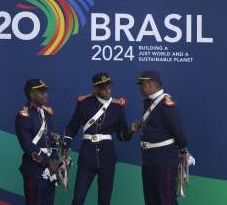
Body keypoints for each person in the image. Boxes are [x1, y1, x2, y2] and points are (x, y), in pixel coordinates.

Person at [62, 72, 139, 205]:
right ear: (95, 89)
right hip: (87, 158)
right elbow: (72, 127)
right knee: (78, 199)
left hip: (107, 159)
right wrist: (65, 143)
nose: (107, 90)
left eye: (109, 87)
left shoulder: (117, 107)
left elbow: (122, 136)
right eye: (103, 88)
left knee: (104, 200)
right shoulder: (84, 104)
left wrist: (131, 131)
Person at [136, 71, 188, 205]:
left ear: (151, 84)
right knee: (151, 199)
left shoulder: (166, 104)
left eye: (142, 84)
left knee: (165, 200)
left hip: (164, 159)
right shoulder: (148, 103)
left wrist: (183, 150)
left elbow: (177, 131)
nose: (140, 88)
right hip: (149, 159)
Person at [15, 79, 59, 205]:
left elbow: (52, 138)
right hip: (34, 171)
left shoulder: (47, 112)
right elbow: (27, 145)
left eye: (45, 91)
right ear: (32, 93)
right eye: (42, 92)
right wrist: (47, 162)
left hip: (51, 170)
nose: (46, 94)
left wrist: (55, 159)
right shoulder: (24, 116)